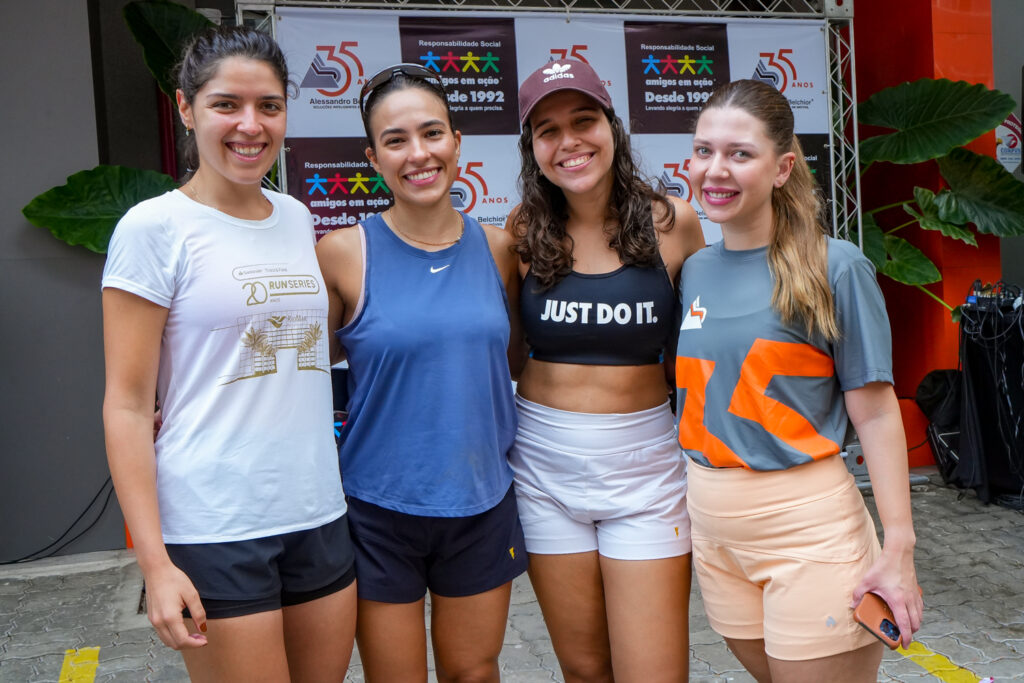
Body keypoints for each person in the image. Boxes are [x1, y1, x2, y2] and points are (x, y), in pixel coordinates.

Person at [101, 26, 357, 682]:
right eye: (226, 105)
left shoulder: (297, 217)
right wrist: (155, 564)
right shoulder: (154, 229)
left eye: (269, 106)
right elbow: (128, 405)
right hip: (215, 522)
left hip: (318, 513)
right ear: (186, 109)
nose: (251, 125)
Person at [675, 78, 923, 682]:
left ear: (783, 167)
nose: (716, 169)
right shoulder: (694, 269)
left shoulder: (835, 266)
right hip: (713, 531)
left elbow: (877, 413)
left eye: (740, 153)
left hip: (807, 529)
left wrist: (899, 550)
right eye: (705, 150)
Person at [315, 63, 528, 683]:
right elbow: (299, 372)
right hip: (377, 511)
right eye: (396, 140)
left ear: (458, 142)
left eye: (432, 134)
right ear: (372, 157)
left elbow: (513, 361)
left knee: (474, 673)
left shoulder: (499, 249)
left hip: (481, 503)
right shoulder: (342, 254)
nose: (419, 154)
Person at [507, 59, 705, 683]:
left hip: (646, 468)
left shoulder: (674, 225)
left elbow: (701, 351)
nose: (568, 142)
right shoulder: (520, 233)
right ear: (531, 147)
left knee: (654, 672)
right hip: (543, 468)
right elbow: (510, 352)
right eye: (547, 129)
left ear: (613, 127)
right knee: (586, 669)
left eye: (583, 120)